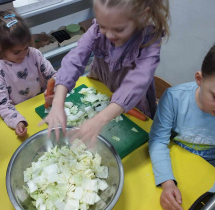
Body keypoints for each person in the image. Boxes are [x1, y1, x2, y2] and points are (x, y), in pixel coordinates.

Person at [40, 0, 170, 143]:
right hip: (101, 82)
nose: (108, 35)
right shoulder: (97, 30)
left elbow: (137, 82)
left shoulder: (150, 40)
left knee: (137, 132)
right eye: (103, 26)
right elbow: (74, 59)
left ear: (142, 16)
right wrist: (58, 102)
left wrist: (100, 119)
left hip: (132, 99)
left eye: (118, 29)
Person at [149, 44, 215, 210]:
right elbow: (158, 141)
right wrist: (167, 183)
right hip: (173, 165)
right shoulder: (174, 99)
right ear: (199, 80)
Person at [0, 10, 57, 136]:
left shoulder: (34, 53)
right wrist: (17, 121)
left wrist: (55, 88)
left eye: (26, 48)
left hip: (44, 105)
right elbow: (3, 104)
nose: (24, 54)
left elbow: (53, 76)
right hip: (20, 113)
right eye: (17, 52)